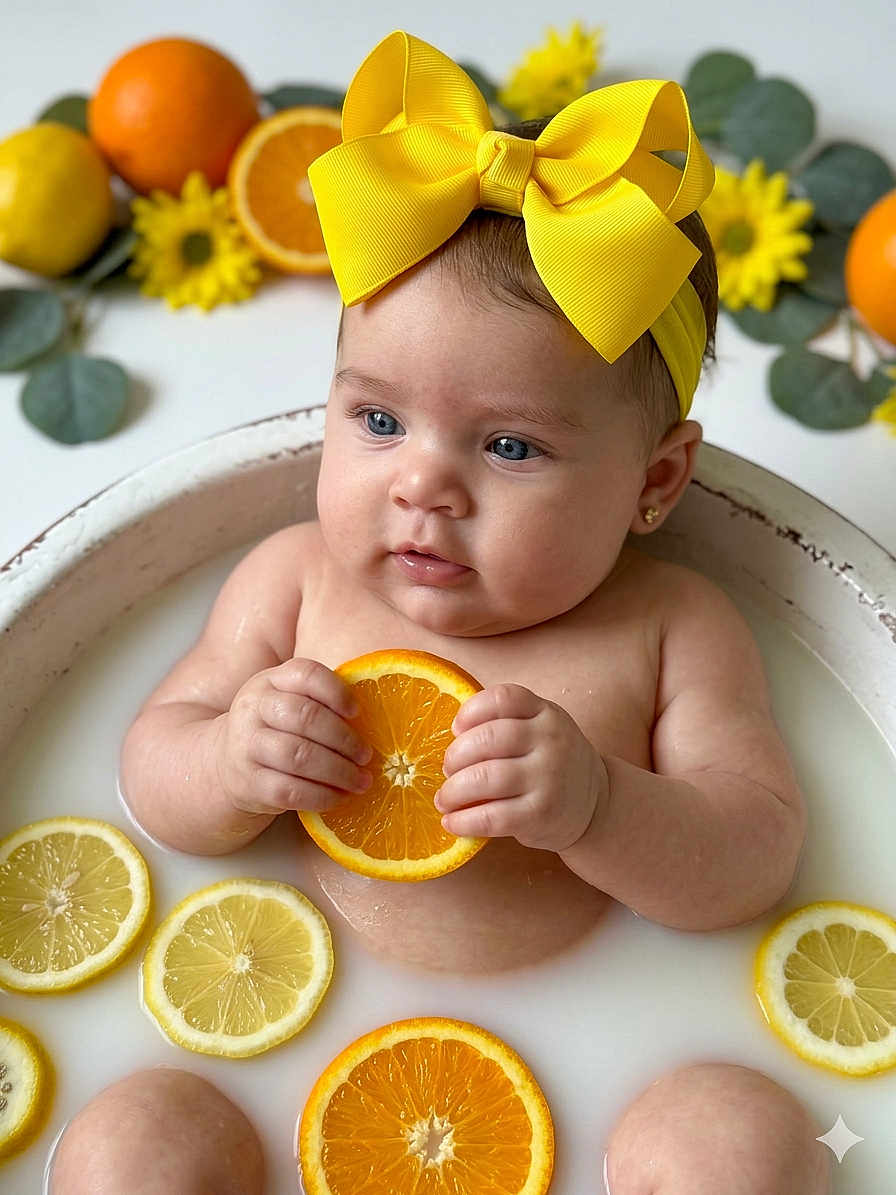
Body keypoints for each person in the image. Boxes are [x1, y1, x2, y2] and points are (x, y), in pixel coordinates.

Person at [56, 30, 830, 1194]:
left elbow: (752, 859)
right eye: (376, 421)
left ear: (654, 483)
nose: (420, 482)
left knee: (743, 1150)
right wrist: (228, 758)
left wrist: (600, 802)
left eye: (508, 444)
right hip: (286, 1030)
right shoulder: (294, 579)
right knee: (129, 1153)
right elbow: (153, 779)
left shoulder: (671, 627)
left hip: (615, 1055)